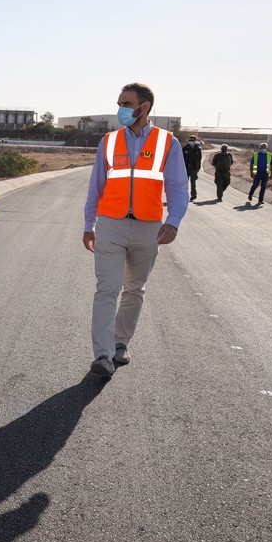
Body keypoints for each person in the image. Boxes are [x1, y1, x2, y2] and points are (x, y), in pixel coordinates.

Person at [82, 83, 189, 377]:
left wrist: (174, 220)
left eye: (127, 103)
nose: (121, 109)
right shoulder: (109, 141)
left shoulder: (168, 142)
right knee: (106, 289)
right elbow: (96, 187)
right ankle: (102, 355)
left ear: (145, 107)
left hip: (149, 227)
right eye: (119, 103)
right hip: (111, 225)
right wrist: (88, 224)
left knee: (134, 290)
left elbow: (179, 187)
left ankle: (120, 342)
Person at [182, 134, 203, 201]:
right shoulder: (185, 148)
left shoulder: (197, 149)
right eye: (190, 140)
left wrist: (198, 168)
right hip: (186, 168)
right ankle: (183, 195)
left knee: (193, 182)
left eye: (192, 140)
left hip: (194, 168)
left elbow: (199, 159)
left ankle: (193, 195)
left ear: (195, 141)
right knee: (185, 182)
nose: (191, 141)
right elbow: (181, 158)